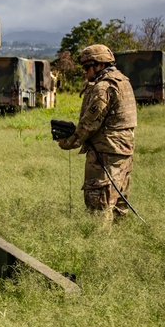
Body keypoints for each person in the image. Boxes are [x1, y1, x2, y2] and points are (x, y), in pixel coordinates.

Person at [57, 44, 137, 222]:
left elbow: (88, 125)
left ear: (100, 65)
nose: (84, 72)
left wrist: (67, 143)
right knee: (118, 207)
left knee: (98, 208)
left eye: (87, 67)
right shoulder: (123, 81)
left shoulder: (103, 88)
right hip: (123, 154)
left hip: (105, 156)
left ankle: (98, 244)